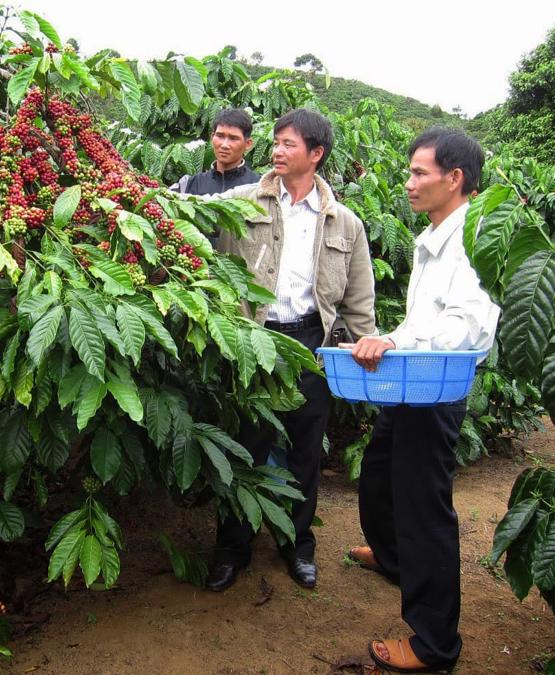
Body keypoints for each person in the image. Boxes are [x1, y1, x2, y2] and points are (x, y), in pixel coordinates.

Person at [343, 128, 500, 673]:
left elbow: (468, 327)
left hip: (436, 390)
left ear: (454, 178)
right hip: (412, 383)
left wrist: (392, 344)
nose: (407, 182)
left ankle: (434, 644)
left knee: (423, 507)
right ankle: (391, 558)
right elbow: (420, 321)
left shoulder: (475, 237)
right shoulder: (434, 236)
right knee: (381, 474)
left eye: (419, 173)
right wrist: (388, 340)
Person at [205, 108, 377, 592]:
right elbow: (194, 239)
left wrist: (364, 353)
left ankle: (296, 546)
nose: (276, 151)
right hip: (253, 339)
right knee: (245, 447)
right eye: (275, 143)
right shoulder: (240, 202)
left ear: (316, 154)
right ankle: (231, 549)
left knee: (304, 452)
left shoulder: (346, 224)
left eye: (288, 144)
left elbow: (358, 303)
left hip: (311, 346)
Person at [171, 108, 259, 196]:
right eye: (220, 136)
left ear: (248, 144)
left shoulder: (259, 187)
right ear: (212, 137)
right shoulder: (188, 186)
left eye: (233, 138)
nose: (224, 145)